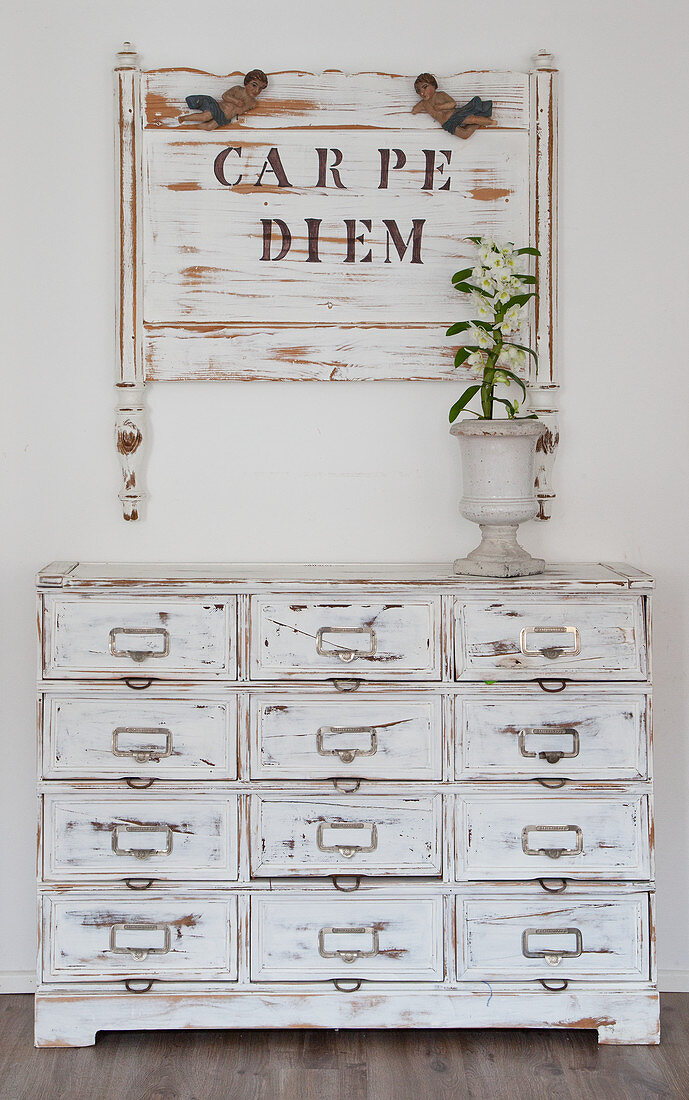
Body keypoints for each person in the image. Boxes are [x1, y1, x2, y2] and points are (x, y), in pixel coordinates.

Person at [412, 73, 495, 139]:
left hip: (454, 115)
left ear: (433, 85)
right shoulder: (424, 103)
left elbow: (453, 104)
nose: (422, 93)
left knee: (472, 119)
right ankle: (481, 119)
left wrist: (441, 107)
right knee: (465, 135)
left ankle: (491, 122)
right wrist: (414, 110)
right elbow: (415, 110)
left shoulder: (440, 95)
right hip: (446, 124)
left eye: (425, 87)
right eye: (419, 91)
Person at [179, 69, 268, 130]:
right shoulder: (238, 89)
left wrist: (239, 110)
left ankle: (192, 129)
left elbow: (241, 111)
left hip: (225, 118)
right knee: (206, 116)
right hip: (218, 108)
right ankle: (183, 118)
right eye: (254, 85)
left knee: (209, 127)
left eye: (260, 88)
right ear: (246, 83)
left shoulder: (253, 103)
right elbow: (225, 96)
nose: (256, 90)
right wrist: (235, 101)